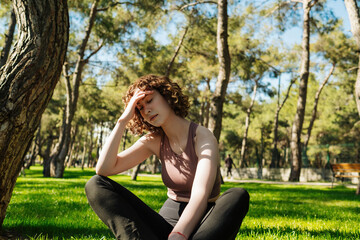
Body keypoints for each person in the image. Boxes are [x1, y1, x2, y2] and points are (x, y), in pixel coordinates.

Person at [85, 75, 250, 240]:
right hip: (168, 221)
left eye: (149, 101)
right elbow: (104, 169)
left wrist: (179, 234)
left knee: (237, 195)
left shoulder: (202, 137)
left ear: (167, 96)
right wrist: (123, 120)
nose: (146, 110)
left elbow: (200, 193)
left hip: (206, 221)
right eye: (139, 108)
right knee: (96, 183)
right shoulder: (154, 140)